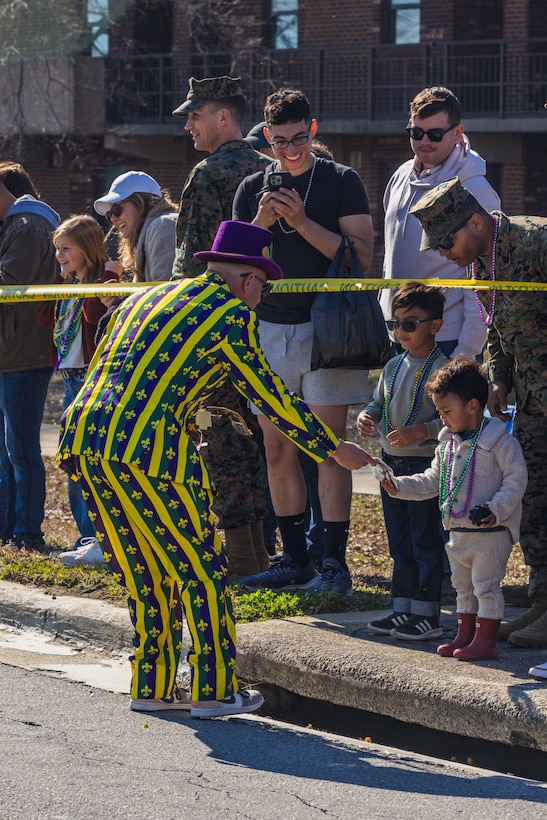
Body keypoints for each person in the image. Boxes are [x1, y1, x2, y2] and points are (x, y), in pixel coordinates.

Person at [55, 219, 375, 716]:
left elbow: (158, 369)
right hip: (149, 449)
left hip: (84, 438)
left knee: (147, 568)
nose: (260, 298)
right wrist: (331, 446)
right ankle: (213, 689)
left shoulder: (152, 296)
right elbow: (268, 392)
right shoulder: (228, 316)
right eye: (261, 288)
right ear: (249, 281)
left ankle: (153, 686)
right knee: (200, 569)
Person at [233, 88, 374, 595]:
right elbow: (235, 268)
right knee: (276, 449)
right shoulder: (252, 187)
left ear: (313, 131)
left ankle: (333, 563)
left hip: (329, 328)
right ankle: (294, 558)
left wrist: (301, 223)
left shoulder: (341, 181)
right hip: (269, 327)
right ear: (268, 138)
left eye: (298, 140)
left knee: (329, 449)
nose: (290, 152)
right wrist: (261, 225)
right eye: (280, 142)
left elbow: (361, 259)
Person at [409, 175, 547, 650]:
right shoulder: (480, 265)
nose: (444, 252)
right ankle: (542, 602)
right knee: (535, 505)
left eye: (448, 240)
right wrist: (500, 377)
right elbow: (499, 332)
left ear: (475, 220)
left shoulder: (536, 241)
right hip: (531, 401)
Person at [171, 76, 273, 577]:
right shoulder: (272, 169)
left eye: (194, 115)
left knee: (220, 436)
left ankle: (242, 557)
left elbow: (188, 262)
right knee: (257, 434)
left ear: (223, 118)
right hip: (264, 318)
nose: (188, 124)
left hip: (209, 322)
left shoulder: (208, 173)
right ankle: (260, 551)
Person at [381, 357, 527, 661]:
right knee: (463, 587)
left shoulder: (499, 441)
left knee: (485, 586)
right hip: (457, 531)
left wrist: (496, 509)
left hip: (490, 531)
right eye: (439, 411)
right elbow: (433, 479)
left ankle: (486, 641)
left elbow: (516, 479)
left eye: (447, 411)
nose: (442, 418)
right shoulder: (446, 444)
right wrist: (400, 486)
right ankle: (465, 634)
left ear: (473, 406)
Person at [381, 86, 501, 359]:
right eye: (416, 133)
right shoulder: (400, 175)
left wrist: (466, 352)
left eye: (435, 134)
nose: (424, 141)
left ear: (457, 132)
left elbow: (484, 279)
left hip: (445, 340)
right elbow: (390, 255)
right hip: (397, 333)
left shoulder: (474, 190)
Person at [359, 283, 448, 640]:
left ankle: (428, 614)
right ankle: (402, 609)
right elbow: (377, 404)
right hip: (390, 463)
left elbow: (452, 418)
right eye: (394, 324)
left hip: (425, 467)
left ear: (436, 326)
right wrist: (367, 416)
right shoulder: (393, 365)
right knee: (399, 541)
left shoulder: (443, 368)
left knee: (424, 539)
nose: (400, 332)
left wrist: (421, 431)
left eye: (410, 324)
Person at [37, 215, 120, 567]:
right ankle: (86, 535)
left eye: (66, 249)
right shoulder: (66, 284)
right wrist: (62, 278)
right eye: (57, 249)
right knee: (72, 458)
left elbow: (91, 316)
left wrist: (108, 278)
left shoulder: (104, 281)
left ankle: (103, 536)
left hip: (91, 377)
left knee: (92, 458)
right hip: (69, 377)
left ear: (87, 248)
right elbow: (43, 316)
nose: (59, 255)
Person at [0, 174, 60, 552]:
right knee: (7, 453)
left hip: (23, 355)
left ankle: (28, 534)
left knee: (21, 451)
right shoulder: (15, 223)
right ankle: (8, 531)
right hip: (10, 354)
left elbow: (6, 284)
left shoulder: (28, 224)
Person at [94, 170, 177, 283]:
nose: (113, 219)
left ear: (141, 202)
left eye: (117, 209)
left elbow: (164, 291)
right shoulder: (150, 230)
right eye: (109, 215)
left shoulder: (163, 225)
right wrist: (117, 300)